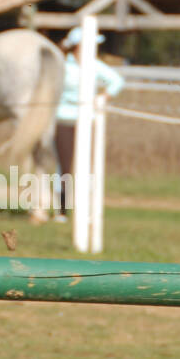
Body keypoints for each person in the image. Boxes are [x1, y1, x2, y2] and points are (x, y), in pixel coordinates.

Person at [54, 26, 125, 218]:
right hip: (63, 119)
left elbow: (117, 81)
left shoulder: (94, 65)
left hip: (87, 120)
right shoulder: (62, 65)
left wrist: (103, 97)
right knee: (64, 166)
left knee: (88, 165)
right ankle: (62, 209)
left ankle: (87, 208)